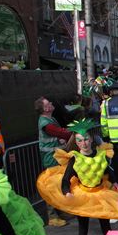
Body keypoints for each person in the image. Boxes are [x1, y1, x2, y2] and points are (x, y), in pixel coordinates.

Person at [36, 119, 118, 235]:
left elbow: (108, 171)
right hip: (83, 195)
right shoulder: (75, 158)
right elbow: (66, 179)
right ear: (76, 142)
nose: (84, 143)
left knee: (106, 227)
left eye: (86, 139)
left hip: (100, 193)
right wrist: (67, 192)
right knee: (83, 228)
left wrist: (114, 183)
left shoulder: (101, 154)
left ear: (91, 139)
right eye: (80, 140)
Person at [35, 96, 72, 227]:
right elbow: (60, 133)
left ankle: (61, 211)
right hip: (50, 158)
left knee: (60, 183)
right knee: (51, 186)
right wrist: (68, 134)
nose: (51, 103)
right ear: (45, 108)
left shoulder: (51, 119)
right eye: (48, 103)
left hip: (56, 156)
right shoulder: (45, 123)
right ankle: (52, 216)